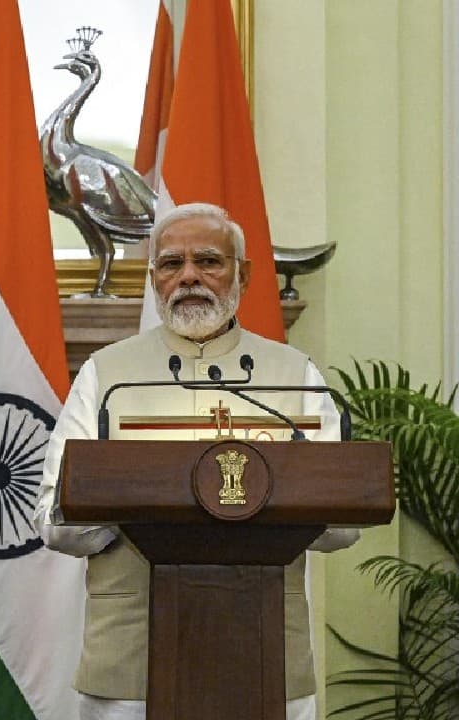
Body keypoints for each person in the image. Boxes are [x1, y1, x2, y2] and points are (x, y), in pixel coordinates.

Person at [32, 202, 358, 720]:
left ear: (243, 275)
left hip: (265, 648)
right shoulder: (107, 375)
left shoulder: (293, 375)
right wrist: (133, 507)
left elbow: (343, 524)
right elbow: (53, 521)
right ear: (154, 278)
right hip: (132, 657)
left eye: (208, 260)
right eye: (170, 264)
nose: (188, 277)